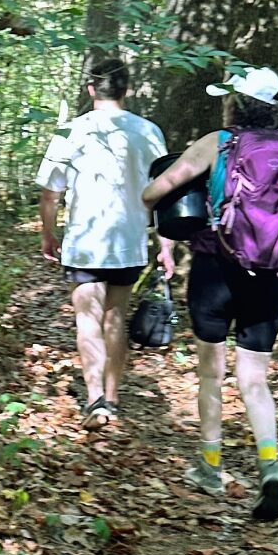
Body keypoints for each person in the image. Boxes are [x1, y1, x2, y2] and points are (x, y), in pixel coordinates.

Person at [141, 66, 278, 522]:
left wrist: (157, 204)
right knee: (255, 380)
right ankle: (270, 467)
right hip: (272, 275)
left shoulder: (218, 142)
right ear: (276, 106)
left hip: (216, 271)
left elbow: (156, 191)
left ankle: (211, 468)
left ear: (236, 102)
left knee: (212, 375)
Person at [37, 58, 174, 430]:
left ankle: (95, 398)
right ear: (126, 89)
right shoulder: (148, 132)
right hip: (128, 240)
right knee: (115, 316)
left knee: (88, 318)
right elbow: (163, 193)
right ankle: (112, 400)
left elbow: (51, 192)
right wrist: (165, 244)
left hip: (84, 240)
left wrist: (49, 233)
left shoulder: (71, 131)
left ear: (91, 90)